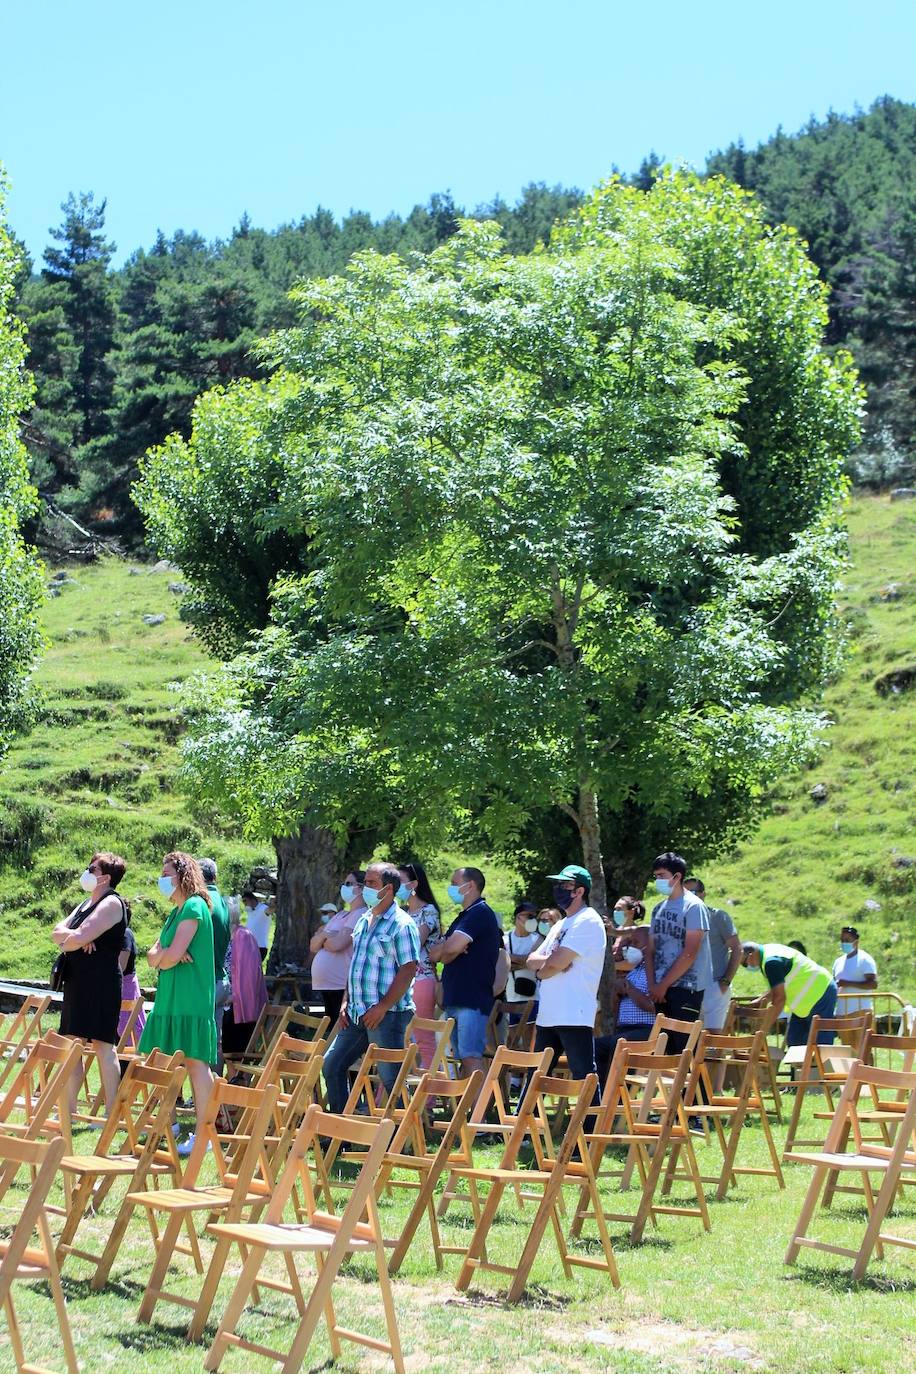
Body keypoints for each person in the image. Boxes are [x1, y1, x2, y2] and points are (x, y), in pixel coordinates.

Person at [321, 862, 420, 1113]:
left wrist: (383, 1007)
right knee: (331, 1065)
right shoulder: (364, 919)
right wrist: (345, 1002)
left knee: (391, 1079)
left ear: (388, 889)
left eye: (371, 883)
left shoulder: (402, 924)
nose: (365, 888)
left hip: (387, 1015)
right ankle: (339, 1133)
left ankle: (402, 1138)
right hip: (356, 1013)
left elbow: (409, 969)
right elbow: (356, 966)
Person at [139, 851, 217, 1152]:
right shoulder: (176, 911)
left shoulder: (195, 906)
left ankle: (205, 1134)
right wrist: (165, 956)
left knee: (196, 1064)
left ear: (182, 874)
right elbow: (153, 955)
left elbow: (167, 954)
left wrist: (166, 955)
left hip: (190, 998)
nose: (162, 878)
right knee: (162, 1060)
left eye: (166, 872)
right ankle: (168, 1124)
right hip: (170, 999)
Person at [52, 852, 129, 1114]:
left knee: (103, 1046)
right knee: (72, 1042)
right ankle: (69, 1111)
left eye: (92, 869)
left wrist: (76, 938)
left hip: (101, 983)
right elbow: (57, 933)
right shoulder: (86, 903)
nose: (87, 872)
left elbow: (80, 935)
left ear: (105, 877)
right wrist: (74, 938)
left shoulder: (111, 903)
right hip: (77, 981)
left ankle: (111, 1112)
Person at [526, 864, 606, 1083]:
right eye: (558, 884)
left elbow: (558, 961)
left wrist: (551, 966)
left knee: (584, 1077)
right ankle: (523, 1118)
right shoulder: (560, 924)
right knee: (536, 1076)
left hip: (574, 1013)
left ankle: (590, 1119)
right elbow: (532, 960)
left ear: (579, 891)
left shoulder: (587, 920)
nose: (558, 888)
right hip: (549, 1013)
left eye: (565, 884)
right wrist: (549, 966)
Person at [427, 866, 501, 1082]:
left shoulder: (480, 913)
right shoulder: (464, 916)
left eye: (453, 883)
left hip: (472, 999)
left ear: (469, 885)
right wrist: (449, 950)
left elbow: (448, 950)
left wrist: (449, 950)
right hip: (456, 998)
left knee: (471, 1057)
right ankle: (465, 1110)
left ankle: (478, 1114)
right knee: (462, 1058)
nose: (450, 888)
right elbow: (436, 953)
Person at [647, 851, 713, 1052]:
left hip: (686, 988)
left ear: (677, 877)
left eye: (662, 875)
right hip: (660, 990)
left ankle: (696, 1085)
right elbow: (650, 949)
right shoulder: (658, 908)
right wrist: (653, 985)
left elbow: (690, 953)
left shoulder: (694, 907)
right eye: (656, 876)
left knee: (685, 1050)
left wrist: (663, 985)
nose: (658, 880)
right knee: (664, 1050)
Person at [739, 941, 838, 1046]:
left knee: (820, 1044)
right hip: (807, 1001)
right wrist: (760, 1000)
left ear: (751, 954)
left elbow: (779, 999)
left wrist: (761, 1033)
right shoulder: (768, 953)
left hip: (821, 992)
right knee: (795, 1041)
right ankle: (804, 1062)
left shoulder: (771, 962)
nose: (746, 967)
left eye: (744, 963)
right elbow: (778, 986)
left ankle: (819, 1062)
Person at [398, 861, 441, 1068]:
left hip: (422, 980)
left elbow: (415, 943)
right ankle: (391, 1093)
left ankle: (430, 1094)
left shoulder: (429, 911)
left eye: (400, 881)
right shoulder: (399, 912)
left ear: (414, 884)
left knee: (423, 1036)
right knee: (397, 1039)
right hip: (399, 981)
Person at [684, 876, 741, 1032]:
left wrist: (725, 981)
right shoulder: (681, 921)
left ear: (703, 894)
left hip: (714, 986)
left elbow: (737, 948)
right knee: (688, 1039)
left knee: (712, 1040)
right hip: (688, 989)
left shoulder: (718, 917)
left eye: (693, 892)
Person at [309, 870, 366, 1027]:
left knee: (338, 1028)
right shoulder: (340, 914)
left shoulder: (361, 914)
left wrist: (324, 937)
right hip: (327, 984)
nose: (344, 887)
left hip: (340, 983)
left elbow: (337, 944)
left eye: (349, 884)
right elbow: (313, 945)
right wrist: (328, 934)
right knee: (330, 1028)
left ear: (361, 887)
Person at [594, 963, 658, 1085]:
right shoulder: (632, 971)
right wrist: (617, 993)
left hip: (647, 1030)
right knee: (596, 1046)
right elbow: (614, 1009)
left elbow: (653, 1006)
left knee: (619, 1043)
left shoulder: (655, 972)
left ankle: (619, 1095)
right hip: (624, 1029)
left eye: (635, 943)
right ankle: (601, 1094)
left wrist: (629, 989)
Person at [222, 906, 268, 1060]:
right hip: (227, 1004)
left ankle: (238, 1081)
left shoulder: (243, 936)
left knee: (236, 1052)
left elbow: (248, 976)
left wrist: (232, 997)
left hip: (240, 1007)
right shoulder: (228, 936)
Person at [200, 857, 232, 1071]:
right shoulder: (221, 900)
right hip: (220, 978)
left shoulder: (203, 902)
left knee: (200, 1042)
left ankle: (202, 1094)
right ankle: (213, 1093)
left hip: (204, 982)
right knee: (214, 1041)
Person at [832, 926, 878, 1014]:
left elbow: (873, 984)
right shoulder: (838, 962)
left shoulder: (865, 959)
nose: (844, 943)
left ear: (856, 942)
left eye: (847, 940)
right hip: (841, 1012)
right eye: (842, 940)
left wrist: (848, 983)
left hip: (860, 1012)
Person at [505, 902, 542, 1008]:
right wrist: (526, 963)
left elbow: (535, 962)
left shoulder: (538, 939)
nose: (532, 919)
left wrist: (510, 958)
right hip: (509, 998)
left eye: (534, 916)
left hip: (533, 998)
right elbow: (501, 964)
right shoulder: (505, 938)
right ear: (518, 917)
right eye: (529, 916)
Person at [117, 918, 146, 1041]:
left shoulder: (125, 933)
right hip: (116, 987)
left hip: (126, 986)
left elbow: (121, 966)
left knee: (130, 1026)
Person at [610, 897, 650, 972]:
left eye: (619, 909)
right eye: (615, 909)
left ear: (631, 912)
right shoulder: (615, 931)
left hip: (628, 981)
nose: (616, 912)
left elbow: (631, 964)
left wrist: (609, 966)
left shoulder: (638, 934)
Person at [242, 890, 271, 963]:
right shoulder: (250, 911)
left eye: (245, 901)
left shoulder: (263, 908)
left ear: (252, 900)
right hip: (249, 946)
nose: (244, 903)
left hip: (260, 947)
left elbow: (269, 910)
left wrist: (274, 904)